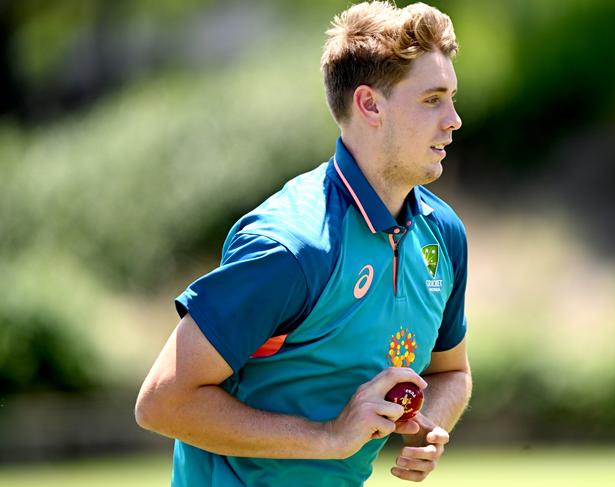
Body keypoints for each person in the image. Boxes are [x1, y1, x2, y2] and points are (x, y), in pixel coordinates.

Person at [135, 1, 472, 485]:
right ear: (369, 105)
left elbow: (452, 373)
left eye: (452, 97)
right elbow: (163, 401)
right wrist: (330, 437)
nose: (454, 118)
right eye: (432, 99)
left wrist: (428, 423)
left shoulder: (443, 234)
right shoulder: (291, 247)